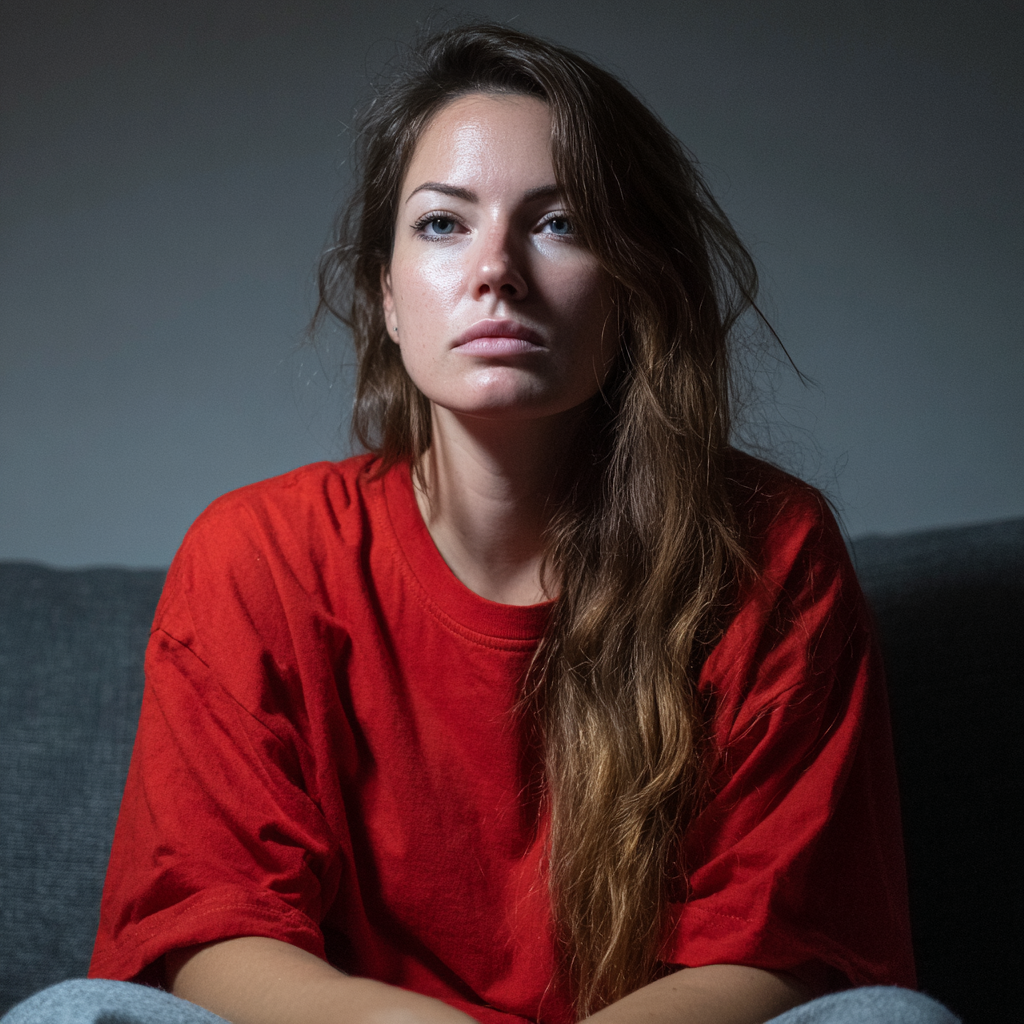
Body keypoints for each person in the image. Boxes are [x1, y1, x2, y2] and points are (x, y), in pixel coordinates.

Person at [3, 24, 959, 1024]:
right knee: (68, 1014)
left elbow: (787, 947)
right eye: (442, 224)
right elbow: (207, 928)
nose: (496, 268)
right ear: (386, 295)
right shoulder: (255, 555)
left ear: (635, 284)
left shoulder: (769, 551)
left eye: (559, 223)